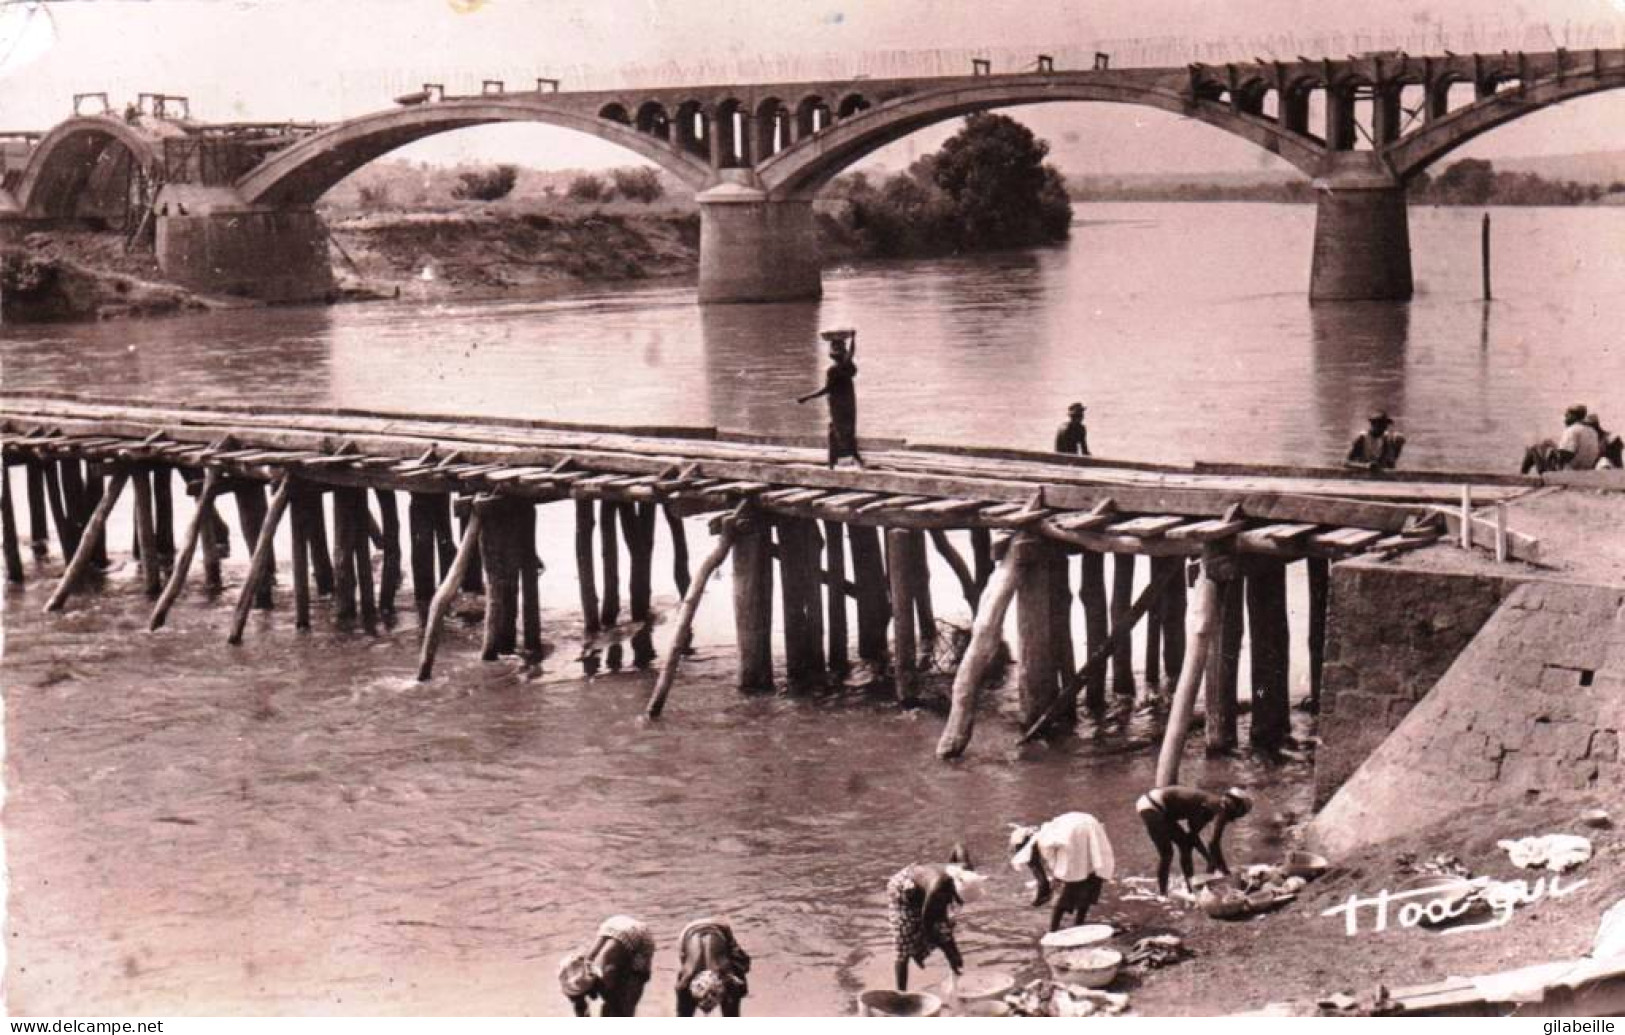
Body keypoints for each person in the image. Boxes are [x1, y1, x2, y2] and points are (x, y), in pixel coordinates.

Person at [885, 844, 985, 991]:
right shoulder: (937, 890)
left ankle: (954, 974)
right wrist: (947, 948)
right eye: (959, 899)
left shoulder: (965, 872)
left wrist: (950, 864)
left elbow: (959, 846)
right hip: (903, 888)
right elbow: (927, 925)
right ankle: (901, 994)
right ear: (954, 891)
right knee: (904, 943)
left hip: (926, 886)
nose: (958, 903)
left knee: (945, 931)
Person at [1135, 786, 1252, 897]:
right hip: (1151, 805)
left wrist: (1212, 863)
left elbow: (1195, 838)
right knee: (1167, 854)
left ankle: (1190, 889)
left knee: (1185, 846)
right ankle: (1163, 895)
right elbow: (1205, 842)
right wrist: (1223, 871)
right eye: (1239, 813)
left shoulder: (1217, 806)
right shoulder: (1213, 807)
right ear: (1233, 806)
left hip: (1161, 808)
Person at [1009, 812, 1115, 932]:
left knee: (1068, 885)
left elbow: (1044, 882)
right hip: (1090, 823)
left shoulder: (1035, 847)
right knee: (1090, 874)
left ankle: (1052, 931)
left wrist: (1038, 901)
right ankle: (1079, 923)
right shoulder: (1046, 831)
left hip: (1073, 832)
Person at [558, 915, 655, 1017]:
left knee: (626, 1000)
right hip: (614, 926)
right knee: (610, 1001)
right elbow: (580, 1007)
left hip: (640, 937)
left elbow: (617, 1006)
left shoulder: (607, 975)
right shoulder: (572, 973)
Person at [796, 329, 863, 469]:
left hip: (838, 403)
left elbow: (826, 389)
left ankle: (835, 461)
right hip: (849, 402)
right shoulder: (847, 366)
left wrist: (806, 397)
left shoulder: (834, 370)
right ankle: (851, 457)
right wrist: (853, 339)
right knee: (847, 429)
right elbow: (851, 354)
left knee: (836, 430)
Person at [675, 917, 751, 1016]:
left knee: (733, 995)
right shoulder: (687, 978)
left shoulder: (724, 970)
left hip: (719, 928)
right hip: (689, 933)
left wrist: (737, 985)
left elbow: (745, 965)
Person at [1554, 404, 1601, 471]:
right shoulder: (1593, 432)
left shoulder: (1572, 430)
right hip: (1587, 470)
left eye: (1567, 415)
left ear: (1574, 416)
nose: (1565, 418)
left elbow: (1565, 454)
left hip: (1571, 470)